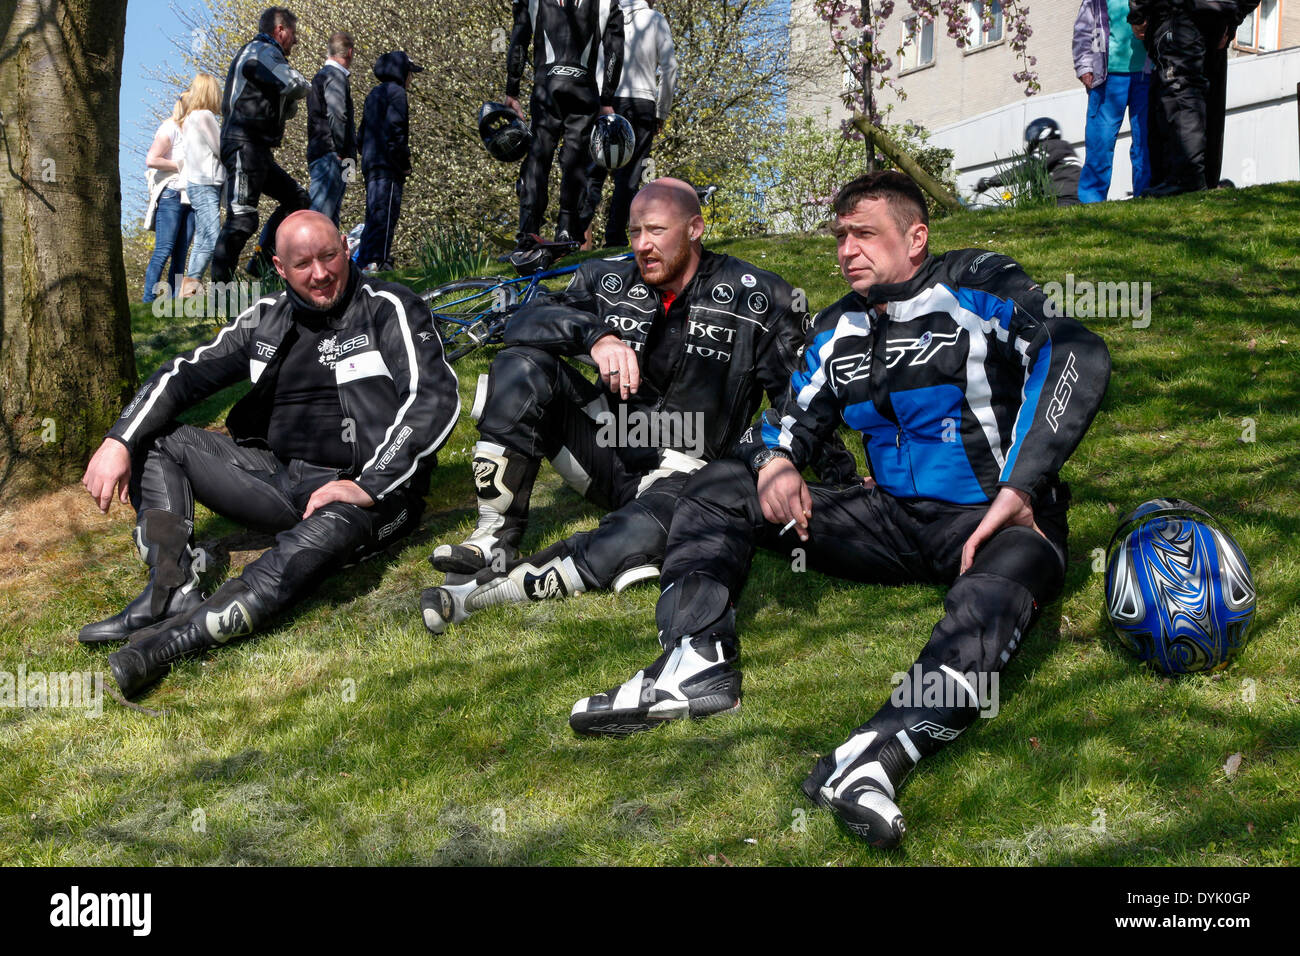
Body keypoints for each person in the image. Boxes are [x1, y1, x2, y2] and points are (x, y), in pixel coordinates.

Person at [568, 171, 1111, 849]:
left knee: (1004, 586)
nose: (848, 250)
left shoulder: (980, 283)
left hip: (997, 522)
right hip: (889, 521)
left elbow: (1075, 351)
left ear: (916, 238)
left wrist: (1022, 484)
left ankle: (873, 759)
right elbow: (784, 425)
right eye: (840, 237)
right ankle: (693, 659)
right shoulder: (838, 326)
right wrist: (779, 465)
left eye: (865, 235)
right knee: (717, 484)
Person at [421, 178, 857, 635]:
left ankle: (479, 596)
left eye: (656, 231)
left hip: (689, 472)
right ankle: (493, 537)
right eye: (634, 233)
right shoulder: (605, 277)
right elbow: (523, 322)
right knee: (521, 365)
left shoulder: (758, 295)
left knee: (637, 533)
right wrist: (596, 337)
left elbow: (800, 398)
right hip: (607, 448)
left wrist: (841, 480)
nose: (643, 245)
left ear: (695, 229)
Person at [79, 210, 460, 698]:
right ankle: (170, 586)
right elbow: (183, 373)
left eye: (328, 256)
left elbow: (433, 396)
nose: (320, 273)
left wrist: (366, 484)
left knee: (314, 542)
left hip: (370, 493)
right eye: (303, 264)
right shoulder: (267, 316)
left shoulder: (388, 307)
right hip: (281, 480)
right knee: (156, 438)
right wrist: (119, 439)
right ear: (280, 268)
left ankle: (164, 646)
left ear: (346, 246)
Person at [504, 0, 624, 271]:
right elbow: (615, 49)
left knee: (538, 156)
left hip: (547, 86)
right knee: (575, 160)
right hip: (584, 88)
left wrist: (512, 90)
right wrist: (607, 97)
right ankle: (567, 231)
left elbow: (519, 38)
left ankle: (527, 231)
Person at [210, 7, 311, 282]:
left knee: (298, 199)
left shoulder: (262, 56)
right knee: (242, 219)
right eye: (293, 33)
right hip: (244, 144)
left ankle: (262, 263)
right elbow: (294, 85)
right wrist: (309, 87)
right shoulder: (261, 52)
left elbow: (288, 107)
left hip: (257, 148)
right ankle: (222, 294)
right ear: (280, 30)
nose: (296, 41)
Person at [1128, 0, 1260, 196]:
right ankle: (1198, 180)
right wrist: (1233, 19)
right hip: (1216, 17)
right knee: (1203, 99)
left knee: (1180, 94)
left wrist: (1138, 13)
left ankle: (1187, 180)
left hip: (1180, 14)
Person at [579, 0, 677, 250]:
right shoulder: (655, 20)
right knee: (630, 176)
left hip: (603, 99)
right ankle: (615, 238)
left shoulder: (602, 14)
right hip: (641, 102)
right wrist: (661, 110)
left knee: (593, 172)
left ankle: (574, 234)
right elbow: (670, 68)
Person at [1073, 0, 1151, 201]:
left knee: (1146, 142)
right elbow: (1083, 30)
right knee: (1100, 143)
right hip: (1107, 78)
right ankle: (1091, 200)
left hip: (1147, 74)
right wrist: (1084, 67)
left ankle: (1146, 194)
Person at [356, 51, 422, 273]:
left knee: (373, 213)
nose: (411, 79)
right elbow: (396, 132)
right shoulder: (397, 94)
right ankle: (379, 260)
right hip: (388, 164)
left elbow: (361, 133)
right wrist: (403, 161)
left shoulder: (373, 94)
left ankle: (364, 262)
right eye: (409, 74)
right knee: (385, 214)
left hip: (371, 163)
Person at [142, 89, 196, 302]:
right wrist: (182, 166)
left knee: (181, 253)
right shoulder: (169, 128)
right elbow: (152, 159)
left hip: (190, 197)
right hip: (171, 195)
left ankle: (173, 302)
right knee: (164, 250)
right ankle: (149, 299)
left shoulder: (194, 132)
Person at [177, 73, 226, 297]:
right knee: (215, 235)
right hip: (207, 183)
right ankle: (223, 284)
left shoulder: (189, 119)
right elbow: (220, 149)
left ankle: (190, 287)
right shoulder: (205, 116)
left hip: (196, 183)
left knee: (203, 238)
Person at [306, 31, 357, 227]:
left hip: (327, 152)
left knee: (332, 215)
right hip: (333, 155)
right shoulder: (335, 76)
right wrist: (344, 152)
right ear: (350, 52)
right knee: (320, 217)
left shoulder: (320, 77)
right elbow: (338, 115)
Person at [976, 118, 1082, 206]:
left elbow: (1028, 169)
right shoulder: (1062, 147)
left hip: (1064, 200)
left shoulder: (1052, 145)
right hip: (1069, 198)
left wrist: (991, 181)